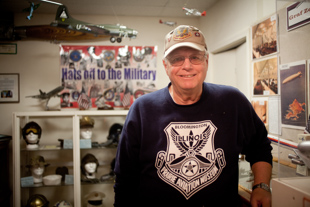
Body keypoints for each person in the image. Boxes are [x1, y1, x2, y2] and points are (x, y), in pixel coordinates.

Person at [114, 25, 273, 207]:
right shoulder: (142, 109)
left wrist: (261, 186)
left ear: (206, 61)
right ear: (166, 66)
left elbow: (259, 146)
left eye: (195, 57)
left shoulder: (233, 101)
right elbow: (124, 178)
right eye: (177, 59)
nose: (187, 66)